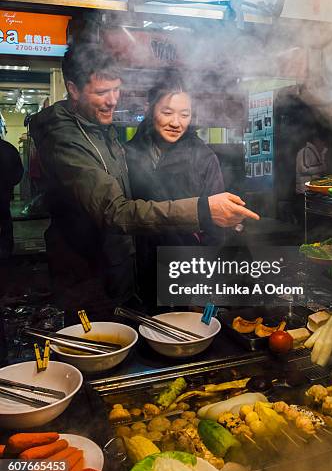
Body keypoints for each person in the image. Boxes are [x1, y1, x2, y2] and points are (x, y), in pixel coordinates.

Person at [30, 42, 259, 320]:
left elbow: (215, 234)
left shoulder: (107, 132)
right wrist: (203, 210)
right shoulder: (68, 140)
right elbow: (116, 211)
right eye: (102, 92)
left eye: (117, 89)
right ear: (73, 90)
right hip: (90, 278)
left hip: (138, 275)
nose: (113, 100)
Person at [126, 73, 224, 307]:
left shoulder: (203, 157)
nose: (176, 123)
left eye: (185, 114)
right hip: (137, 269)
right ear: (150, 109)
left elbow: (216, 227)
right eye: (167, 113)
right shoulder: (128, 152)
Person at [0, 137, 24, 259]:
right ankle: (6, 251)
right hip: (4, 192)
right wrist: (10, 184)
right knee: (5, 219)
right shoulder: (9, 149)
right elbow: (19, 172)